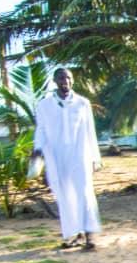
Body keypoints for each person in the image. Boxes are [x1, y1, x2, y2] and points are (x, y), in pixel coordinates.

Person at [32, 68, 101, 250]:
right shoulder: (44, 105)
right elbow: (41, 130)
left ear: (73, 81)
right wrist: (37, 149)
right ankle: (73, 235)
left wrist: (95, 158)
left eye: (69, 78)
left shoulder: (82, 103)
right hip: (57, 157)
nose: (66, 81)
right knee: (65, 195)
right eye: (62, 78)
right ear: (55, 80)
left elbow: (90, 131)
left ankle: (90, 236)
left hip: (80, 155)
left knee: (85, 193)